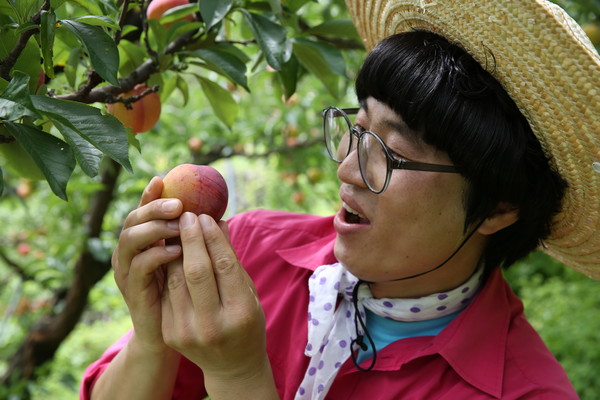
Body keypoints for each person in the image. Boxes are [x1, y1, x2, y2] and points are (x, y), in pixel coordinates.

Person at [81, 0, 599, 399]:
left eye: (390, 154)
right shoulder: (250, 252)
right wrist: (151, 340)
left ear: (498, 207)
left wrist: (237, 374)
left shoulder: (521, 390)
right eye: (357, 131)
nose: (348, 168)